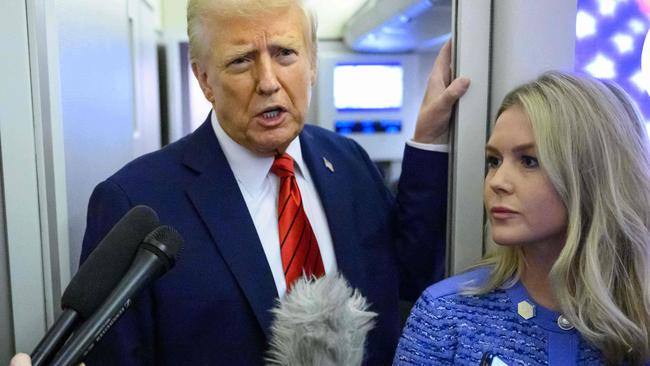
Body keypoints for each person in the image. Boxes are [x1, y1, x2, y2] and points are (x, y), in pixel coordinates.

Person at [44, 0, 470, 365]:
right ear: (205, 79)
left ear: (313, 63)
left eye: (285, 53)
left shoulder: (349, 162)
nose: (268, 81)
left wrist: (429, 139)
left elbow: (410, 278)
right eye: (241, 60)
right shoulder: (134, 202)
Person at [393, 71, 650, 365]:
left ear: (591, 176)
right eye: (494, 161)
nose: (497, 181)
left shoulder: (640, 316)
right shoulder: (446, 315)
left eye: (529, 161)